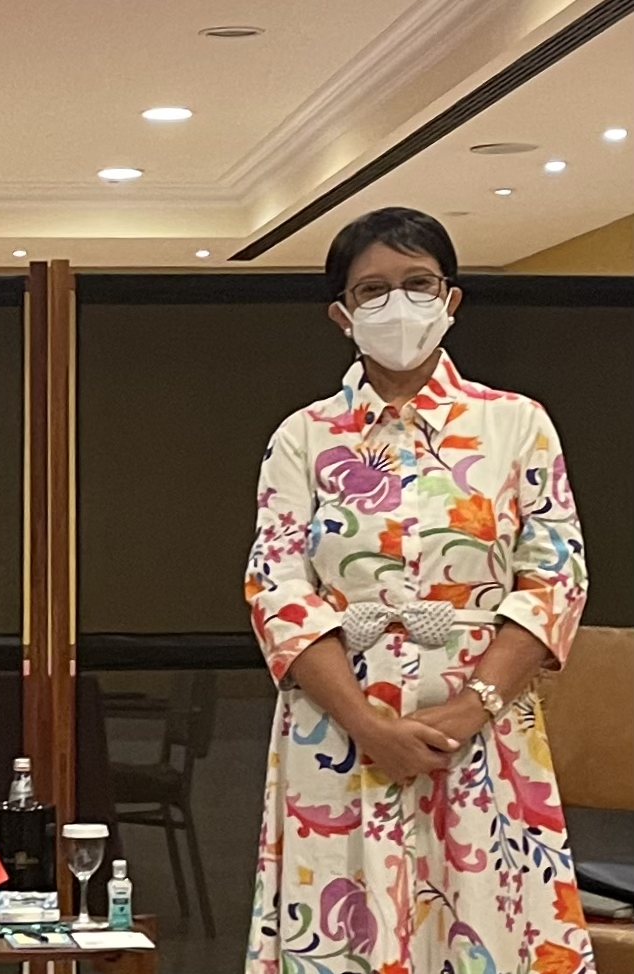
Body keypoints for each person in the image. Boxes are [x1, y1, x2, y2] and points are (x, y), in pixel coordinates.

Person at [244, 207, 592, 973]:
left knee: (488, 934)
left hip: (482, 732)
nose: (397, 305)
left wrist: (470, 711)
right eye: (372, 291)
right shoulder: (302, 437)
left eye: (417, 284)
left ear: (451, 299)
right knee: (341, 934)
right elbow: (277, 587)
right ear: (342, 315)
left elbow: (555, 576)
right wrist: (366, 726)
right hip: (336, 735)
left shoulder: (517, 425)